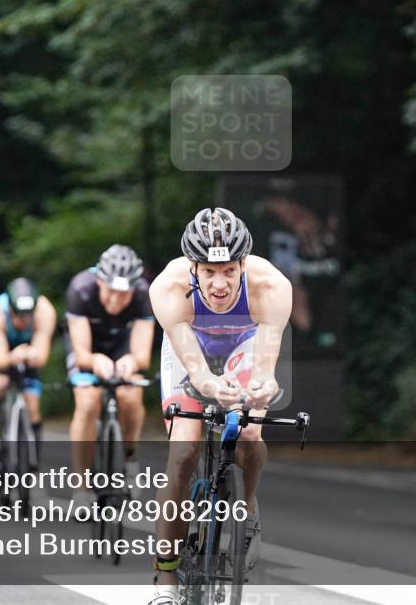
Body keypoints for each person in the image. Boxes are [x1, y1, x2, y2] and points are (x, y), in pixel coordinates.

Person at [147, 208, 290, 605]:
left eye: (229, 270)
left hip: (243, 344)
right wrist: (210, 385)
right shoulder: (168, 287)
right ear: (193, 267)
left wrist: (262, 387)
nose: (220, 283)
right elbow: (195, 370)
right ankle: (166, 576)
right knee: (183, 453)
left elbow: (265, 367)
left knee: (249, 432)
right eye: (209, 272)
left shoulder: (271, 286)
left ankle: (246, 508)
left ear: (244, 264)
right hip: (191, 347)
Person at [64, 245, 155, 507]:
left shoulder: (143, 293)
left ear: (133, 289)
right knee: (87, 402)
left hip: (122, 344)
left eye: (123, 294)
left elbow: (142, 356)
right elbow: (82, 354)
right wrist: (93, 360)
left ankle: (129, 455)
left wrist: (131, 361)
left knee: (130, 394)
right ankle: (81, 487)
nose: (116, 300)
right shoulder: (80, 289)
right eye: (110, 291)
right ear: (99, 282)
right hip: (88, 344)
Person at [0, 277, 57, 470]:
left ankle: (33, 464)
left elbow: (42, 356)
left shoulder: (45, 311)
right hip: (1, 344)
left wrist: (32, 355)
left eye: (28, 315)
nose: (23, 320)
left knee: (33, 402)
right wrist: (11, 357)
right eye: (18, 315)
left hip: (29, 346)